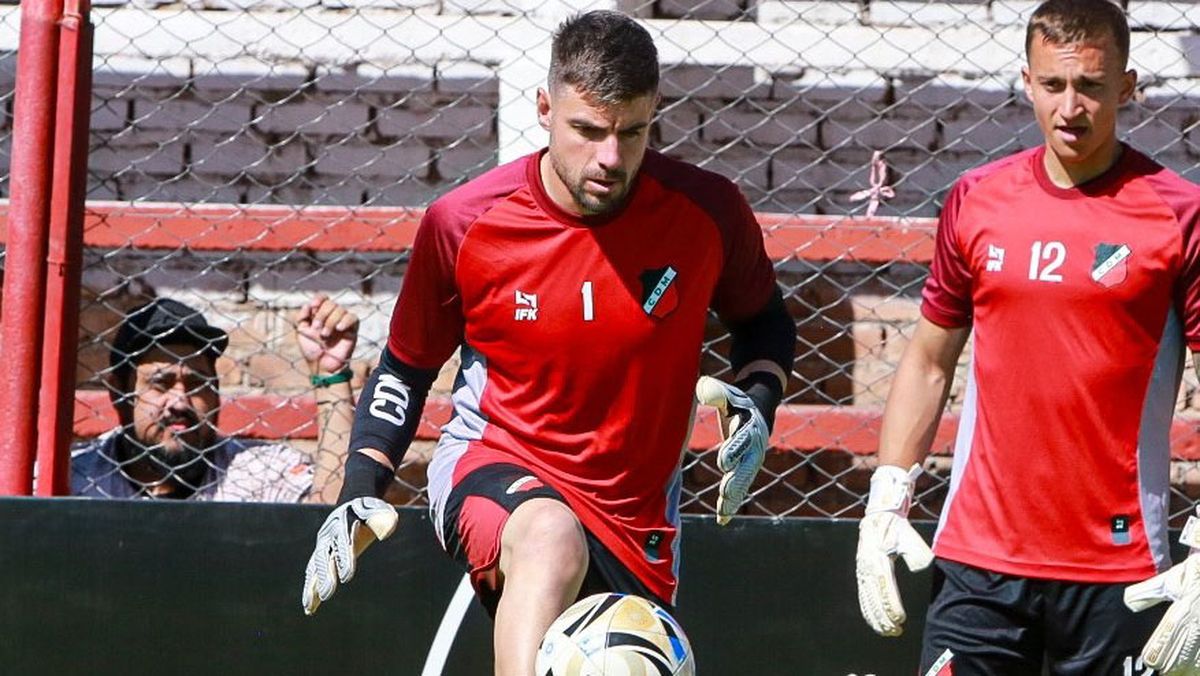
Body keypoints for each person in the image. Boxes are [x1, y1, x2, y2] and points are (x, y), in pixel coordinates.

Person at [299, 9, 795, 674]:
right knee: (551, 536)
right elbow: (406, 367)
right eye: (587, 131)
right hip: (494, 461)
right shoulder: (465, 223)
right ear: (544, 108)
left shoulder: (707, 214)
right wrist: (362, 485)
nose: (610, 158)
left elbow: (765, 322)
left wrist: (759, 403)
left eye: (633, 132)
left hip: (634, 515)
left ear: (655, 115)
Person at [854, 1, 1200, 674]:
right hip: (978, 562)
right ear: (1027, 81)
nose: (1071, 107)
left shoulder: (1178, 215)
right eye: (1053, 85)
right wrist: (887, 497)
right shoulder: (976, 198)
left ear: (1127, 88)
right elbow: (928, 359)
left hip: (1120, 568)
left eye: (1092, 87)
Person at [71, 294, 359, 503]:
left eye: (197, 384)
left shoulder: (255, 472)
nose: (180, 402)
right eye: (161, 384)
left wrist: (329, 376)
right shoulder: (78, 476)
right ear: (121, 393)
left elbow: (335, 517)